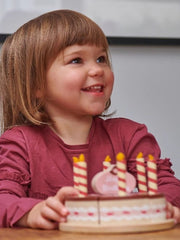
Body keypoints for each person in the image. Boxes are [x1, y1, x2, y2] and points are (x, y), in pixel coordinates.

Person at [0, 9, 180, 230]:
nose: (97, 69)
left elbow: (168, 187)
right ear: (35, 85)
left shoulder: (130, 136)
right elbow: (3, 197)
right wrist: (30, 212)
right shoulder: (20, 143)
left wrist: (165, 204)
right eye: (76, 60)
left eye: (101, 58)